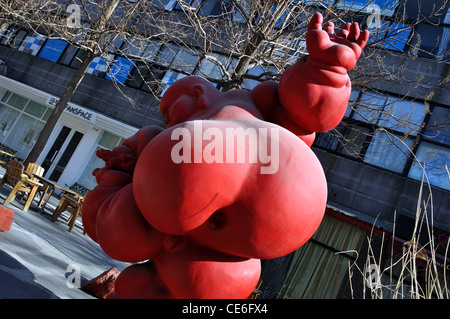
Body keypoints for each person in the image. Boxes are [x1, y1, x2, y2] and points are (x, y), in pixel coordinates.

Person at [81, 13, 369, 298]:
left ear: (197, 94)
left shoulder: (227, 110)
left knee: (128, 237)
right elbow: (308, 116)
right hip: (291, 191)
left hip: (207, 161)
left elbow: (304, 113)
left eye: (169, 111)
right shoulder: (265, 108)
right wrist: (326, 68)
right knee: (209, 280)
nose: (168, 120)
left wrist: (114, 177)